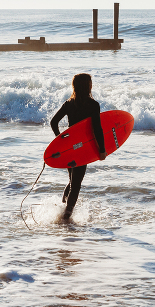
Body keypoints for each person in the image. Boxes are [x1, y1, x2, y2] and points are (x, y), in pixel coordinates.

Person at [50, 73, 106, 221]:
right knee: (76, 184)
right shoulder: (93, 105)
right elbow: (97, 129)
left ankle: (64, 207)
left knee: (72, 180)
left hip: (70, 147)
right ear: (88, 86)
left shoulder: (69, 104)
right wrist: (102, 149)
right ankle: (67, 215)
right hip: (83, 148)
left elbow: (53, 122)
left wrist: (60, 140)